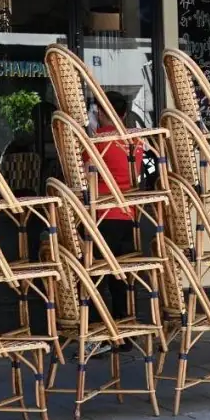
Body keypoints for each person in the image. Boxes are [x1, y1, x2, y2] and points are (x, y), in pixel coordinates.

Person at [83, 91, 137, 356]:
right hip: (128, 216)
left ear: (101, 113)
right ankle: (123, 335)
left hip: (102, 216)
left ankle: (102, 333)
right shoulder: (135, 141)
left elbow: (84, 177)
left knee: (95, 277)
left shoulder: (96, 143)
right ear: (124, 114)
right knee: (120, 277)